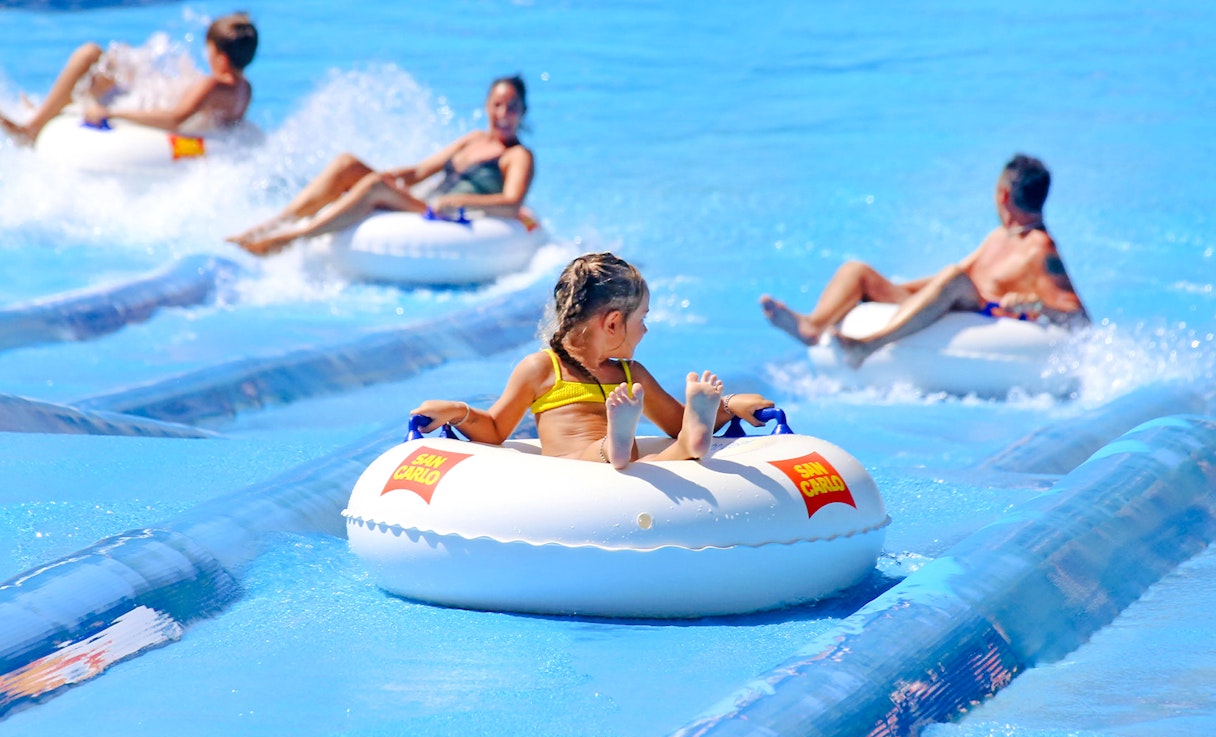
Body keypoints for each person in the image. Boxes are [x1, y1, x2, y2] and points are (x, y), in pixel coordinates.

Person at [412, 252, 774, 469]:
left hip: (627, 474)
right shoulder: (542, 368)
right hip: (574, 475)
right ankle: (619, 442)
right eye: (642, 319)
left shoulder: (632, 375)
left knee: (653, 459)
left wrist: (728, 406)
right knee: (609, 453)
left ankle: (679, 447)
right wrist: (458, 411)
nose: (645, 331)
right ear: (614, 323)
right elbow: (494, 429)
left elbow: (678, 421)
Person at [760, 154, 1089, 368]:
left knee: (954, 277)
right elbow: (952, 277)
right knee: (856, 270)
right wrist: (887, 290)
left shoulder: (1042, 251)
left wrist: (1037, 306)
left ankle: (868, 346)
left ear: (1002, 195)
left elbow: (1080, 319)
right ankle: (812, 326)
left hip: (979, 314)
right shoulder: (999, 237)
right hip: (950, 302)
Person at [226, 75, 535, 256]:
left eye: (512, 107)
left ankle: (290, 239)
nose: (503, 113)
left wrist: (456, 202)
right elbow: (419, 171)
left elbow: (511, 203)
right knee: (347, 164)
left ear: (522, 112)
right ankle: (273, 224)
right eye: (497, 105)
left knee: (374, 187)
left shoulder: (517, 156)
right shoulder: (473, 140)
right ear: (486, 106)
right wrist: (393, 175)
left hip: (442, 216)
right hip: (424, 203)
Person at [0, 13, 257, 144]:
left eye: (208, 49)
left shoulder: (211, 86)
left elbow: (174, 118)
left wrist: (109, 114)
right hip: (156, 105)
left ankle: (33, 128)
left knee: (89, 55)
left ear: (220, 57)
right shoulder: (244, 90)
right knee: (121, 60)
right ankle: (52, 109)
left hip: (144, 118)